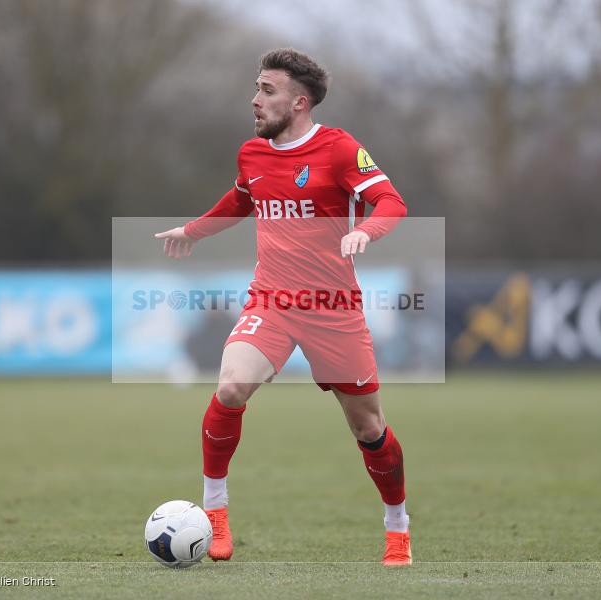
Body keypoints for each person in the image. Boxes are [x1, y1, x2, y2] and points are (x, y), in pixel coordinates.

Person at [154, 48, 411, 566]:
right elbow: (241, 200)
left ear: (298, 102)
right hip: (271, 300)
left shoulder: (339, 150)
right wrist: (193, 229)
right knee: (230, 386)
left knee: (368, 428)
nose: (254, 100)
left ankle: (397, 526)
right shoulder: (252, 154)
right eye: (256, 88)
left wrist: (363, 229)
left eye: (266, 90)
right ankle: (215, 515)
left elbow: (392, 202)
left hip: (333, 308)